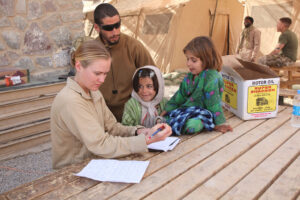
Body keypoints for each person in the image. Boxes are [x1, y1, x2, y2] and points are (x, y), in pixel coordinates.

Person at [50, 40, 172, 169]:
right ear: (79, 66)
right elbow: (101, 144)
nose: (102, 80)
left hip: (96, 162)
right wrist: (146, 140)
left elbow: (112, 128)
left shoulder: (93, 92)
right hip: (74, 171)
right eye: (97, 73)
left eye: (105, 73)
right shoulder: (70, 101)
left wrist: (140, 131)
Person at [93, 3, 155, 122]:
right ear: (97, 27)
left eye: (117, 25)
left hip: (133, 112)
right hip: (102, 115)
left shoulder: (133, 47)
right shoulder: (91, 51)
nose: (115, 32)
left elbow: (154, 76)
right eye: (109, 28)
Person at [160, 36, 233, 135]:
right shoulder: (189, 77)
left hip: (203, 114)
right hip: (188, 110)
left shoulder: (211, 77)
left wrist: (219, 123)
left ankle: (173, 124)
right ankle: (169, 122)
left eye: (193, 60)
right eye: (187, 59)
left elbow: (213, 103)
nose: (188, 63)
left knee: (192, 125)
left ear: (207, 59)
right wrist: (166, 109)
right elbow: (179, 96)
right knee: (164, 107)